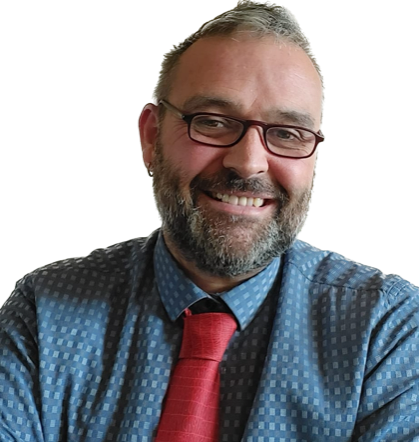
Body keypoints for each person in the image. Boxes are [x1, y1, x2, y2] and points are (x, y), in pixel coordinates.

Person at [1, 1, 418, 441]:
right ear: (150, 136)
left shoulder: (385, 327)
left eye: (287, 133)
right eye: (213, 122)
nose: (248, 163)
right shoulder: (43, 311)